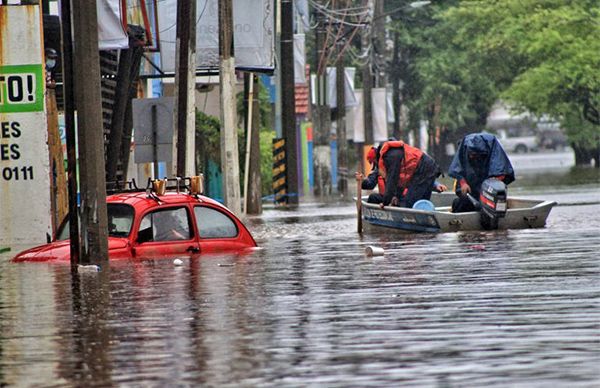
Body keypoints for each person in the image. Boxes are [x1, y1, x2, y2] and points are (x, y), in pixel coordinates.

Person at [356, 140, 445, 208]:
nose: (376, 167)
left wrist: (385, 202)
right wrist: (361, 180)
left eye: (375, 163)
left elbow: (393, 180)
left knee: (409, 204)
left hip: (425, 171)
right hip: (426, 171)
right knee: (415, 203)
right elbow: (370, 183)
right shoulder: (384, 164)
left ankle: (416, 227)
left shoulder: (391, 157)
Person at [448, 132, 515, 213]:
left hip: (489, 191)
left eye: (476, 155)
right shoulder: (465, 147)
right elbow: (457, 168)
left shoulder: (493, 150)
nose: (473, 157)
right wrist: (463, 183)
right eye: (471, 154)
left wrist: (494, 182)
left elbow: (502, 171)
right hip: (470, 190)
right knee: (459, 203)